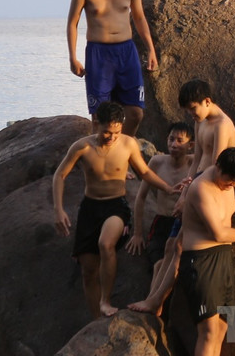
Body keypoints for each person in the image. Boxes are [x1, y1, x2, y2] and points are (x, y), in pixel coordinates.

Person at [128, 79, 235, 315]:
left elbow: (215, 167)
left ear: (207, 101)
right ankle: (154, 300)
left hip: (208, 188)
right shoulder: (201, 122)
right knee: (171, 245)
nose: (191, 114)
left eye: (193, 108)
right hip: (198, 183)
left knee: (179, 246)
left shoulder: (222, 126)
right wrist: (186, 184)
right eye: (188, 110)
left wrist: (188, 196)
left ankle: (155, 302)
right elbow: (199, 159)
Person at [52, 102, 176, 318]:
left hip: (116, 205)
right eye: (107, 132)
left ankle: (106, 301)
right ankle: (97, 318)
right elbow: (59, 176)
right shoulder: (82, 147)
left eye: (116, 132)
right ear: (96, 124)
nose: (111, 137)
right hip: (90, 208)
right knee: (88, 271)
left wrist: (168, 188)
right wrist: (59, 210)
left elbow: (144, 172)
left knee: (105, 243)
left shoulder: (128, 144)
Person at [173, 147, 235, 356]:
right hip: (200, 261)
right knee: (208, 331)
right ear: (218, 166)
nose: (233, 185)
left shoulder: (226, 182)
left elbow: (221, 206)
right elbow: (218, 233)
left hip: (223, 259)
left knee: (221, 328)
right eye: (231, 181)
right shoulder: (201, 188)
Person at [67, 0, 158, 136]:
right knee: (99, 117)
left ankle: (122, 150)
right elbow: (72, 23)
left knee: (135, 113)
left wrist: (150, 49)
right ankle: (100, 157)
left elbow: (139, 18)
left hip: (126, 52)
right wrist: (72, 58)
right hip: (98, 54)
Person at [125, 122, 194, 269]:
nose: (174, 144)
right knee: (157, 263)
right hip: (162, 222)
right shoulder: (157, 162)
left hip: (184, 223)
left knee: (180, 265)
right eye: (171, 139)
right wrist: (137, 233)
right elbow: (141, 196)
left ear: (191, 145)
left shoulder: (194, 164)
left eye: (180, 141)